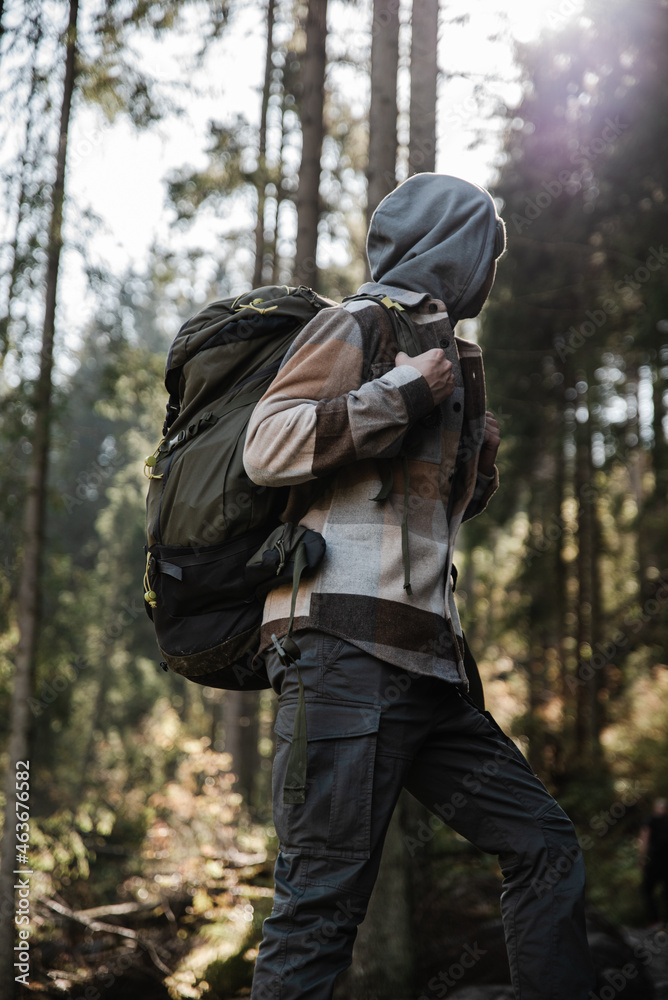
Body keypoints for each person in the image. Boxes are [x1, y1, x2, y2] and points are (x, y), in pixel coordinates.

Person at [243, 172, 594, 999]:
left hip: (429, 671)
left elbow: (411, 521)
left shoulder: (455, 358)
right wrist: (403, 392)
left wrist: (479, 463)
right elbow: (269, 446)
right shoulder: (358, 321)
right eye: (484, 247)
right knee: (319, 909)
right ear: (450, 246)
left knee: (546, 847)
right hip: (340, 657)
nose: (490, 268)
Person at [640, 797, 668, 925]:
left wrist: (641, 859)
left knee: (647, 890)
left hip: (656, 861)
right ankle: (661, 921)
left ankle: (655, 920)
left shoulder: (650, 820)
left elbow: (644, 839)